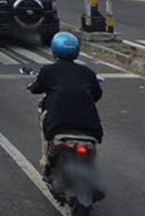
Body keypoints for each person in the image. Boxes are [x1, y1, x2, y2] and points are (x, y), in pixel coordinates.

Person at [28, 32, 104, 178]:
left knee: (43, 124)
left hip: (58, 124)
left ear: (54, 49)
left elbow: (36, 88)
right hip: (90, 127)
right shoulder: (87, 72)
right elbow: (97, 95)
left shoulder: (48, 71)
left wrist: (32, 87)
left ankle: (46, 160)